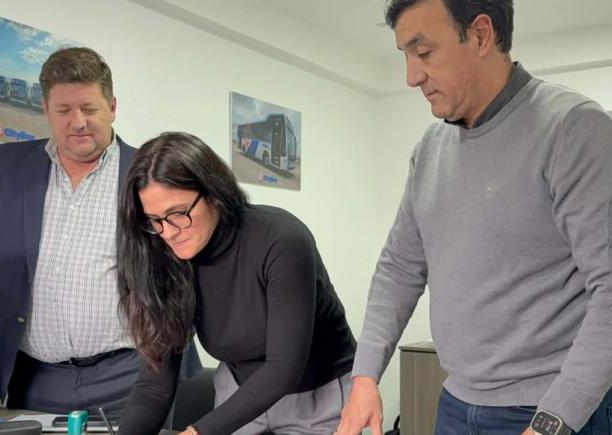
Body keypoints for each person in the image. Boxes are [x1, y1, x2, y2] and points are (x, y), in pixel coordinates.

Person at [336, 1, 612, 434]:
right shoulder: (430, 150)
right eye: (405, 56)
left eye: (423, 52)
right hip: (456, 401)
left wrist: (554, 421)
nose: (411, 76)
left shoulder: (574, 129)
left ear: (481, 34)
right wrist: (365, 376)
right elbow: (399, 268)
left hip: (548, 409)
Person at [0, 47, 200, 416]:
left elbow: (189, 263)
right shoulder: (8, 167)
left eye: (89, 109)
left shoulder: (150, 173)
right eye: (64, 111)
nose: (78, 122)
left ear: (112, 107)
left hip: (134, 377)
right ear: (46, 109)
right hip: (34, 380)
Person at [116, 132, 357, 435]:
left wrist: (198, 432)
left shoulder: (281, 239)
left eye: (178, 213)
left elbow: (284, 367)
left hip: (315, 394)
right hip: (239, 390)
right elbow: (155, 386)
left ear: (213, 193)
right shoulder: (164, 256)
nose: (168, 232)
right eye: (154, 219)